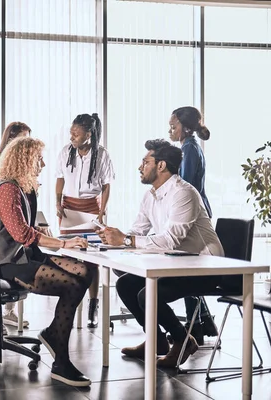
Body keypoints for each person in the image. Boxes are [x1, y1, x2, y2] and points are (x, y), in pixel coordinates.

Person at [97, 139, 237, 368]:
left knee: (146, 293)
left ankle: (183, 340)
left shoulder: (184, 193)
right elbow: (137, 231)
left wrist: (126, 240)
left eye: (145, 162)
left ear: (161, 166)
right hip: (177, 264)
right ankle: (157, 340)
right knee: (125, 285)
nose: (139, 167)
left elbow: (171, 241)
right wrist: (113, 238)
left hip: (207, 268)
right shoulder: (151, 195)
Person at [0, 136, 94, 387]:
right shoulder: (5, 190)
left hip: (26, 256)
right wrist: (64, 244)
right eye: (38, 159)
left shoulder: (24, 189)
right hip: (7, 263)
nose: (43, 164)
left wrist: (53, 238)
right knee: (72, 284)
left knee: (84, 270)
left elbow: (31, 229)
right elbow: (23, 235)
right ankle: (60, 360)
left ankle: (52, 332)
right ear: (23, 160)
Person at [54, 113, 115, 329]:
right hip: (69, 208)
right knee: (70, 256)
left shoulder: (102, 155)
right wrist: (57, 203)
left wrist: (102, 212)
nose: (72, 136)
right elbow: (60, 178)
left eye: (76, 133)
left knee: (91, 261)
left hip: (91, 208)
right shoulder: (65, 152)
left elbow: (107, 185)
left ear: (88, 134)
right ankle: (71, 300)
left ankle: (93, 304)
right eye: (71, 132)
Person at [169, 106, 218, 344]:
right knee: (188, 267)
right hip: (197, 211)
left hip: (195, 214)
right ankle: (202, 321)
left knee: (188, 269)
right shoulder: (188, 147)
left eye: (173, 126)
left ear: (186, 127)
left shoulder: (188, 148)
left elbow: (186, 187)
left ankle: (195, 325)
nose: (170, 130)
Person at [0, 121, 31, 330]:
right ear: (10, 139)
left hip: (16, 220)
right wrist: (2, 194)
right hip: (0, 223)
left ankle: (9, 312)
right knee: (4, 259)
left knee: (22, 255)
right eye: (22, 138)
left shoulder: (23, 163)